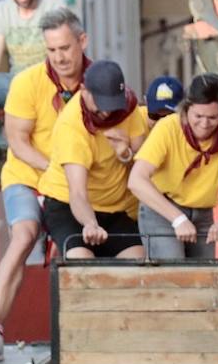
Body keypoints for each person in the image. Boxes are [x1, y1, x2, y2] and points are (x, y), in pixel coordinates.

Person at [0, 8, 90, 363]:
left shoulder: (95, 80)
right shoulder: (27, 82)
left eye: (65, 48)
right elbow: (18, 142)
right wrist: (55, 170)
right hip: (29, 176)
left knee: (86, 247)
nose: (59, 58)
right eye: (52, 50)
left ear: (82, 42)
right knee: (24, 234)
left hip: (76, 183)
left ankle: (83, 338)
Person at [130, 73, 218, 260]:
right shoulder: (169, 127)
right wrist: (177, 218)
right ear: (186, 108)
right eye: (198, 116)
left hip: (203, 214)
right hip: (163, 209)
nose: (204, 124)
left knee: (203, 279)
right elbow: (136, 180)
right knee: (174, 274)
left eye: (213, 117)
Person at [37, 59, 150, 261]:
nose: (107, 113)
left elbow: (142, 166)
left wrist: (125, 154)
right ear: (84, 91)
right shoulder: (71, 125)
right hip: (69, 206)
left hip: (115, 208)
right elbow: (77, 192)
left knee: (138, 262)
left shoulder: (128, 108)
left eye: (112, 105)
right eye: (100, 106)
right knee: (81, 261)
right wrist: (90, 223)